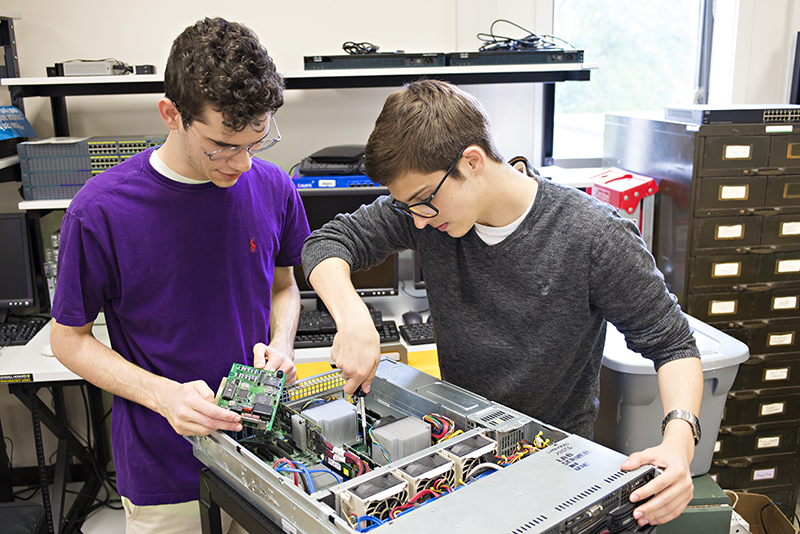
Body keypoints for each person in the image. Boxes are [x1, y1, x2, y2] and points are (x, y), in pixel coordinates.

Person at [301, 79, 703, 527]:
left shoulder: (593, 236)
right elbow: (327, 243)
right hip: (462, 457)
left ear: (471, 162)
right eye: (406, 207)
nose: (416, 219)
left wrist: (679, 445)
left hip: (556, 468)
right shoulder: (425, 217)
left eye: (422, 201)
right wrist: (353, 316)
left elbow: (673, 344)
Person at [50, 17, 310, 534]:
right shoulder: (101, 210)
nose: (241, 164)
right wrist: (163, 396)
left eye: (255, 143)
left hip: (264, 458)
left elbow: (284, 287)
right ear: (172, 114)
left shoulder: (274, 187)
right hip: (166, 475)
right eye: (222, 145)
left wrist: (281, 342)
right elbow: (69, 341)